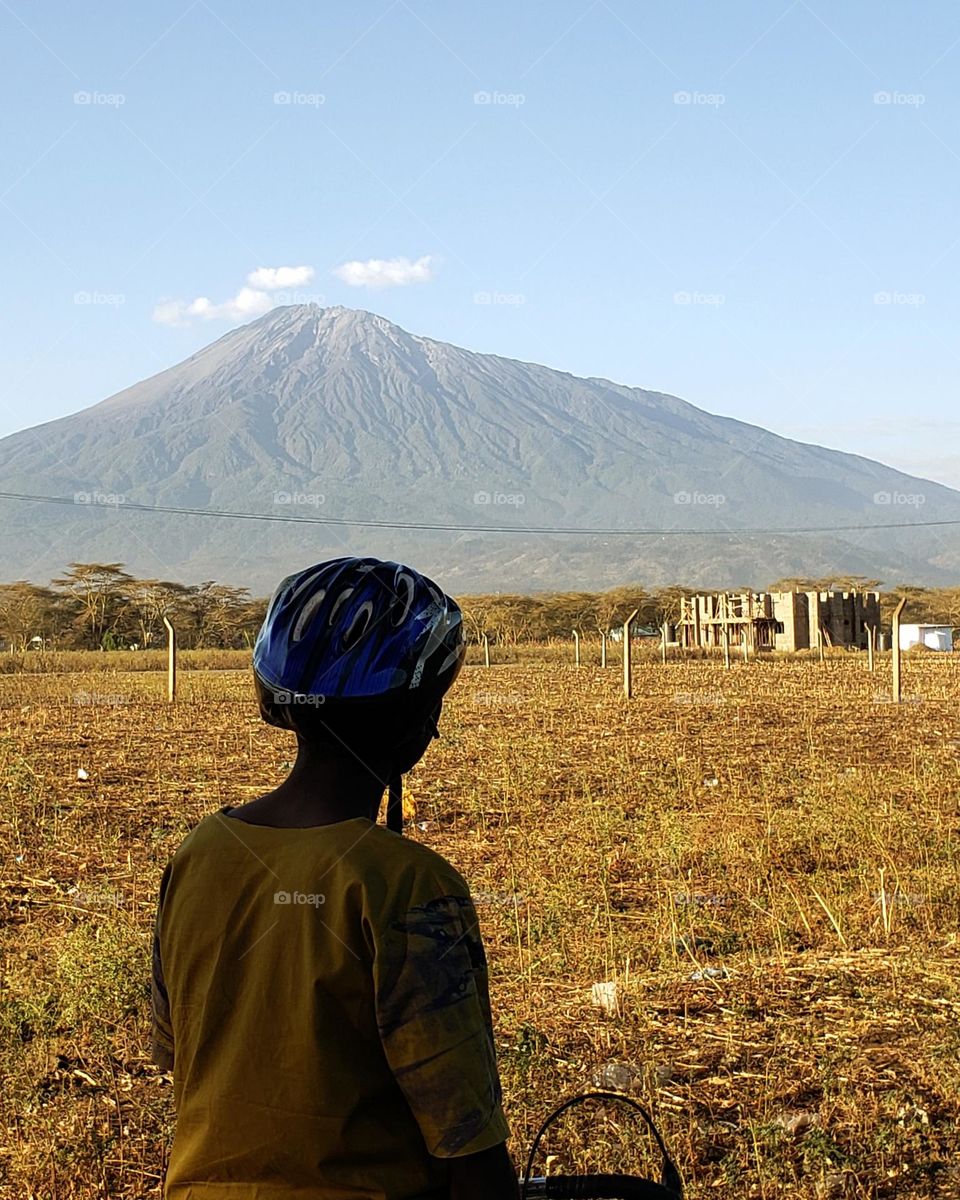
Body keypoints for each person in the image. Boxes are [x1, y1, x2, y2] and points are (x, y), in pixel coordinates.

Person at [151, 557, 519, 1200]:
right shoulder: (409, 885)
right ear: (414, 721)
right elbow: (465, 1137)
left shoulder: (199, 854)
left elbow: (172, 1050)